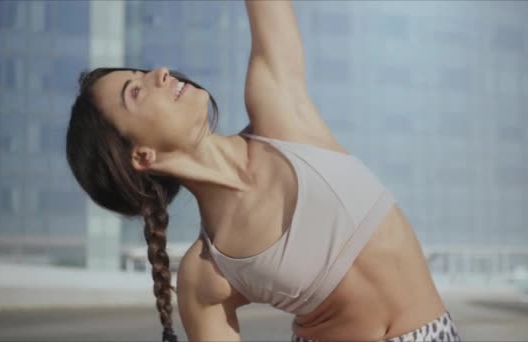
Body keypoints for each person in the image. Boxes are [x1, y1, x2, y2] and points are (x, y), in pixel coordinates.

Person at [65, 1, 460, 342]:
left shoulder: (279, 112)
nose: (161, 73)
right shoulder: (205, 274)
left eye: (142, 71)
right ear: (141, 156)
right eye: (136, 91)